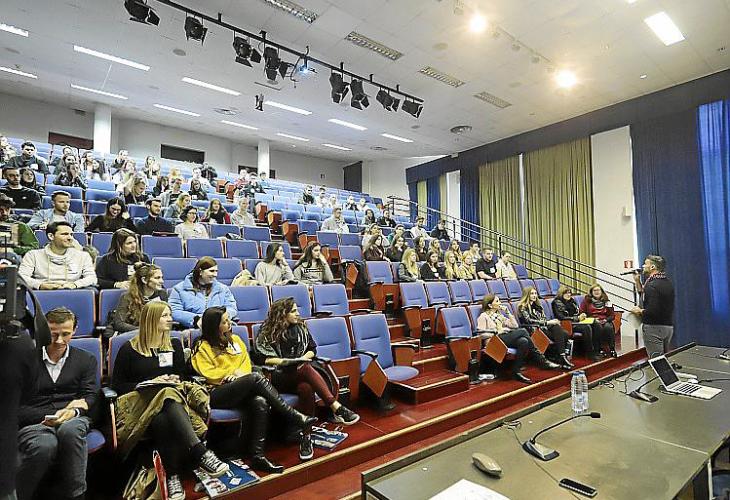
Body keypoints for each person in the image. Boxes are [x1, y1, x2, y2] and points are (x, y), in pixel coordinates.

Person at [111, 301, 229, 499]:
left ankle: (172, 476)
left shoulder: (174, 344)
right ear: (151, 320)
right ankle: (200, 452)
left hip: (169, 408)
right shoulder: (128, 349)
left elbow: (182, 377)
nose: (170, 319)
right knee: (166, 392)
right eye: (165, 315)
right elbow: (117, 386)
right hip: (141, 404)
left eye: (170, 314)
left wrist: (174, 379)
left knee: (164, 416)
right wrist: (147, 383)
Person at [192, 307, 317, 470]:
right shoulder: (201, 346)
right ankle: (295, 416)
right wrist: (231, 375)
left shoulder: (235, 340)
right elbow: (208, 373)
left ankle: (257, 456)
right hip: (216, 392)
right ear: (214, 326)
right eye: (224, 322)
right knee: (256, 378)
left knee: (260, 401)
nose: (229, 323)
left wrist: (239, 376)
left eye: (229, 319)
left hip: (240, 386)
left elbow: (245, 363)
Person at [16, 307, 97, 500]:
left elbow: (90, 397)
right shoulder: (25, 360)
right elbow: (15, 406)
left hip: (73, 419)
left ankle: (76, 496)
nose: (59, 340)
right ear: (44, 331)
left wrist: (75, 411)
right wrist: (48, 416)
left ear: (74, 331)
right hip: (36, 421)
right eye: (54, 334)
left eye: (66, 334)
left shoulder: (86, 359)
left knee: (70, 431)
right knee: (44, 445)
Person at [253, 297, 360, 426]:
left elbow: (312, 349)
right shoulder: (267, 332)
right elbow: (262, 359)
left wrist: (302, 358)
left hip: (298, 373)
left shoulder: (300, 328)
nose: (297, 314)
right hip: (276, 375)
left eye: (297, 310)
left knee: (306, 387)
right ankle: (336, 406)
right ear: (282, 314)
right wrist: (287, 361)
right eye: (293, 311)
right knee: (304, 367)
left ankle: (306, 428)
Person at [477, 295, 559, 383]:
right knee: (523, 331)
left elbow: (515, 325)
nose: (500, 303)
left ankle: (516, 371)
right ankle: (540, 359)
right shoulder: (483, 316)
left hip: (503, 338)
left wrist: (508, 312)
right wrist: (498, 331)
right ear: (490, 305)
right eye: (497, 301)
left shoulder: (499, 315)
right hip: (493, 341)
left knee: (523, 341)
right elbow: (481, 334)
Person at [19, 221, 97, 290]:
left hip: (73, 291)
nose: (70, 238)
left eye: (71, 234)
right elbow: (22, 277)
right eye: (64, 234)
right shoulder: (32, 255)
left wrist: (75, 284)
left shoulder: (83, 256)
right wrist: (40, 285)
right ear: (51, 236)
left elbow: (92, 278)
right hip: (43, 293)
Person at [168, 257, 237, 328]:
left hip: (219, 328)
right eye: (212, 271)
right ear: (200, 272)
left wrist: (219, 318)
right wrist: (197, 319)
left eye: (216, 271)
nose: (215, 274)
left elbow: (232, 308)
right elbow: (174, 311)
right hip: (192, 328)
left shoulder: (223, 289)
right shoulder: (179, 289)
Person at [517, 287, 573, 369]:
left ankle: (560, 356)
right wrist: (548, 322)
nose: (534, 295)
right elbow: (529, 321)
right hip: (533, 330)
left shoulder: (538, 306)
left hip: (543, 328)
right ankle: (560, 357)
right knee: (560, 332)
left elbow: (543, 318)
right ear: (527, 295)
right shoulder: (522, 307)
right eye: (532, 294)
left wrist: (549, 322)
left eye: (535, 293)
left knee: (563, 333)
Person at [631, 255, 675, 356]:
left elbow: (652, 311)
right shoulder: (666, 282)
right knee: (664, 359)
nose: (643, 266)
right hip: (667, 327)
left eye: (645, 264)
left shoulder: (652, 285)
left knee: (656, 360)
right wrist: (637, 281)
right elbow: (645, 295)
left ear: (652, 267)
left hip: (653, 328)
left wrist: (639, 311)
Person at [112, 263, 168, 333]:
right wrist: (144, 331)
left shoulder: (162, 294)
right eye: (157, 278)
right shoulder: (127, 297)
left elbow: (166, 318)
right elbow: (119, 324)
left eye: (162, 277)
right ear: (144, 280)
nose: (162, 281)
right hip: (134, 334)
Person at [552, 286, 599, 361]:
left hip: (576, 321)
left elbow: (577, 312)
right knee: (586, 327)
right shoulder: (556, 302)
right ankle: (590, 353)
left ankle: (597, 349)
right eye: (566, 293)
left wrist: (582, 315)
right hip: (567, 324)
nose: (569, 295)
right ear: (561, 294)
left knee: (595, 323)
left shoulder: (572, 301)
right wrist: (577, 318)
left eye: (570, 293)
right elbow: (561, 317)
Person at [580, 284, 617, 357]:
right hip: (592, 321)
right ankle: (599, 349)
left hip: (604, 320)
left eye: (598, 290)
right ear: (591, 292)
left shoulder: (607, 301)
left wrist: (605, 320)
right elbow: (582, 313)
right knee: (597, 326)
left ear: (601, 291)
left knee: (608, 327)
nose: (596, 292)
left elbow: (612, 315)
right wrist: (592, 319)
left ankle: (612, 349)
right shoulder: (586, 301)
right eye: (594, 290)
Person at [0, 193, 39, 257]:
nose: (5, 213)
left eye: (7, 209)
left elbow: (34, 248)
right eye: (0, 210)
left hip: (12, 259)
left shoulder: (20, 226)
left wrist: (13, 250)